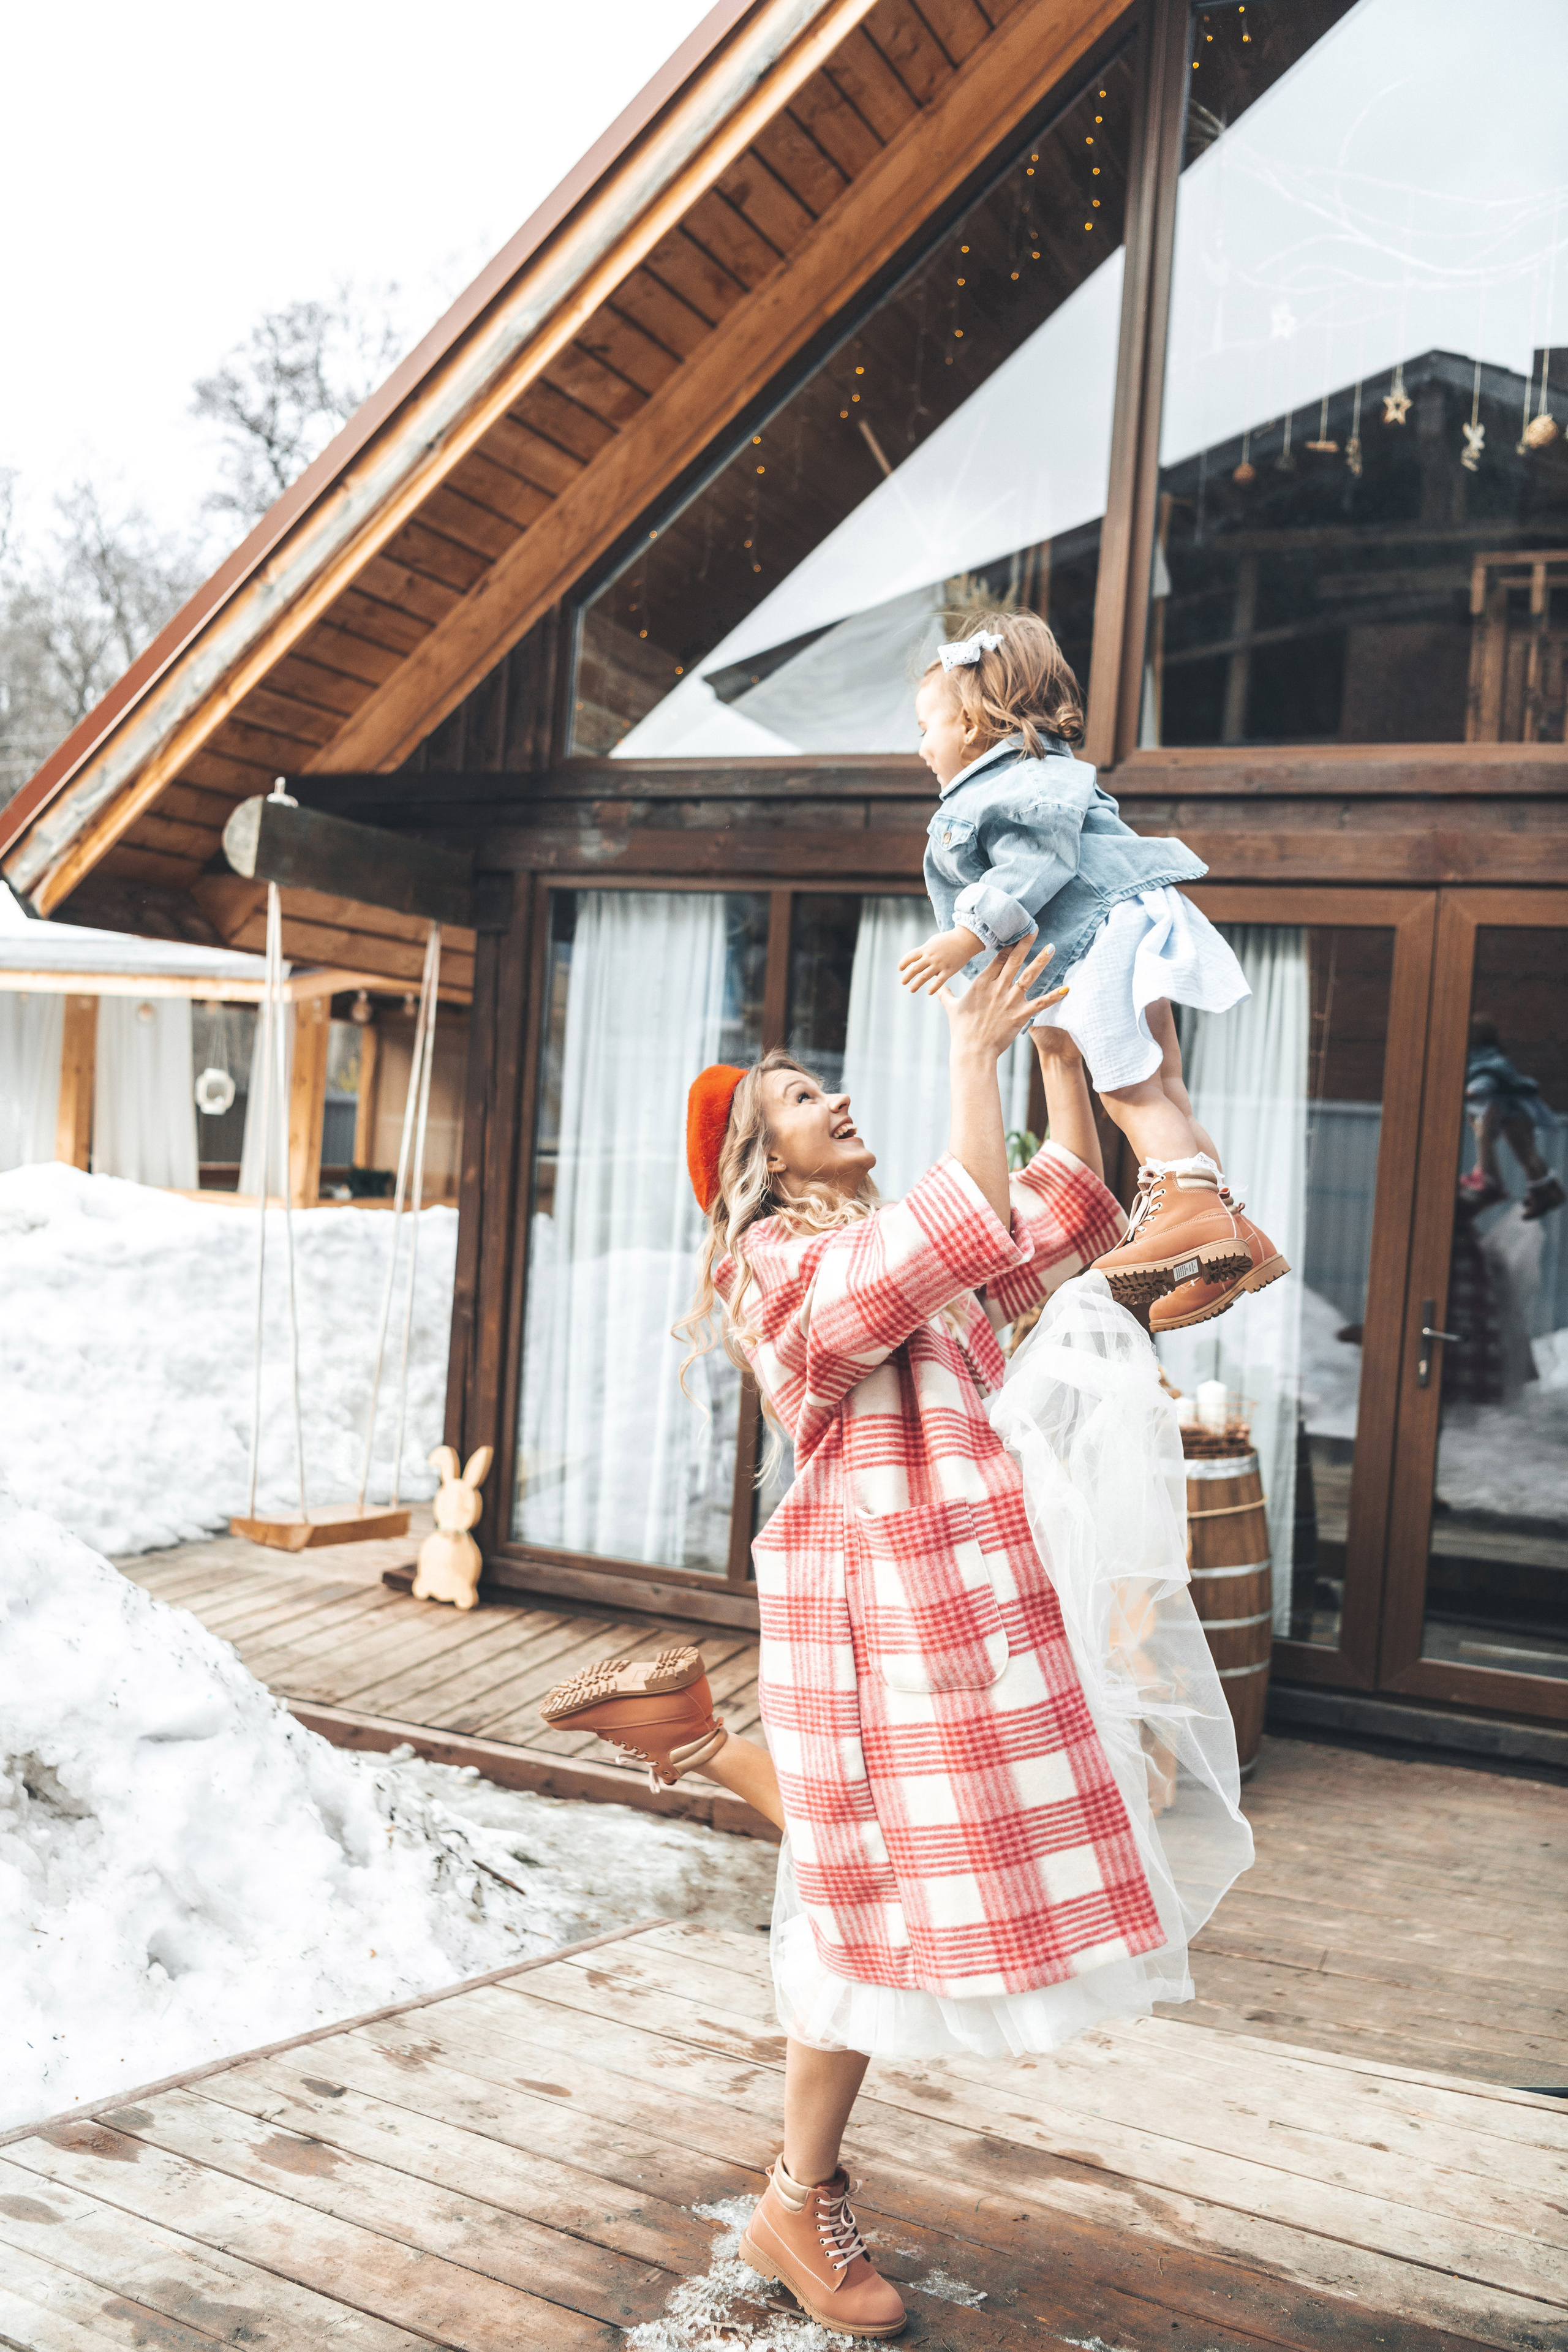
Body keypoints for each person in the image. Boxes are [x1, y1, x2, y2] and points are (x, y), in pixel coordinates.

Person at [539, 940, 1253, 2340]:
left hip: (952, 1596)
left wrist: (1053, 1046)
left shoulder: (901, 1258)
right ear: (761, 1153)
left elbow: (1053, 1210)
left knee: (862, 1873)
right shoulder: (772, 1265)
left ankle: (695, 1740)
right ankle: (797, 2197)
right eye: (804, 1097)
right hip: (871, 1601)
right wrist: (967, 1054)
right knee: (857, 1895)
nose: (836, 1104)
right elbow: (953, 1222)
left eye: (829, 1085)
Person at [898, 607, 1286, 1331]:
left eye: (927, 728)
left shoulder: (1009, 785)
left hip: (1103, 938)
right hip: (1129, 920)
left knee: (1129, 1093)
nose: (921, 747)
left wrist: (965, 937)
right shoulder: (1043, 774)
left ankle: (1190, 1217)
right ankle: (1227, 1230)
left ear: (974, 728)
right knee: (1165, 1086)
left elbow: (1033, 864)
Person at [1461, 1017, 1566, 1221]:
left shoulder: (1485, 1062)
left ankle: (1544, 1194)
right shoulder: (1495, 1059)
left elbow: (1483, 1083)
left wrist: (1467, 1093)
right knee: (1528, 1154)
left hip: (1512, 1113)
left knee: (1526, 1155)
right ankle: (1546, 1191)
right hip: (1514, 1112)